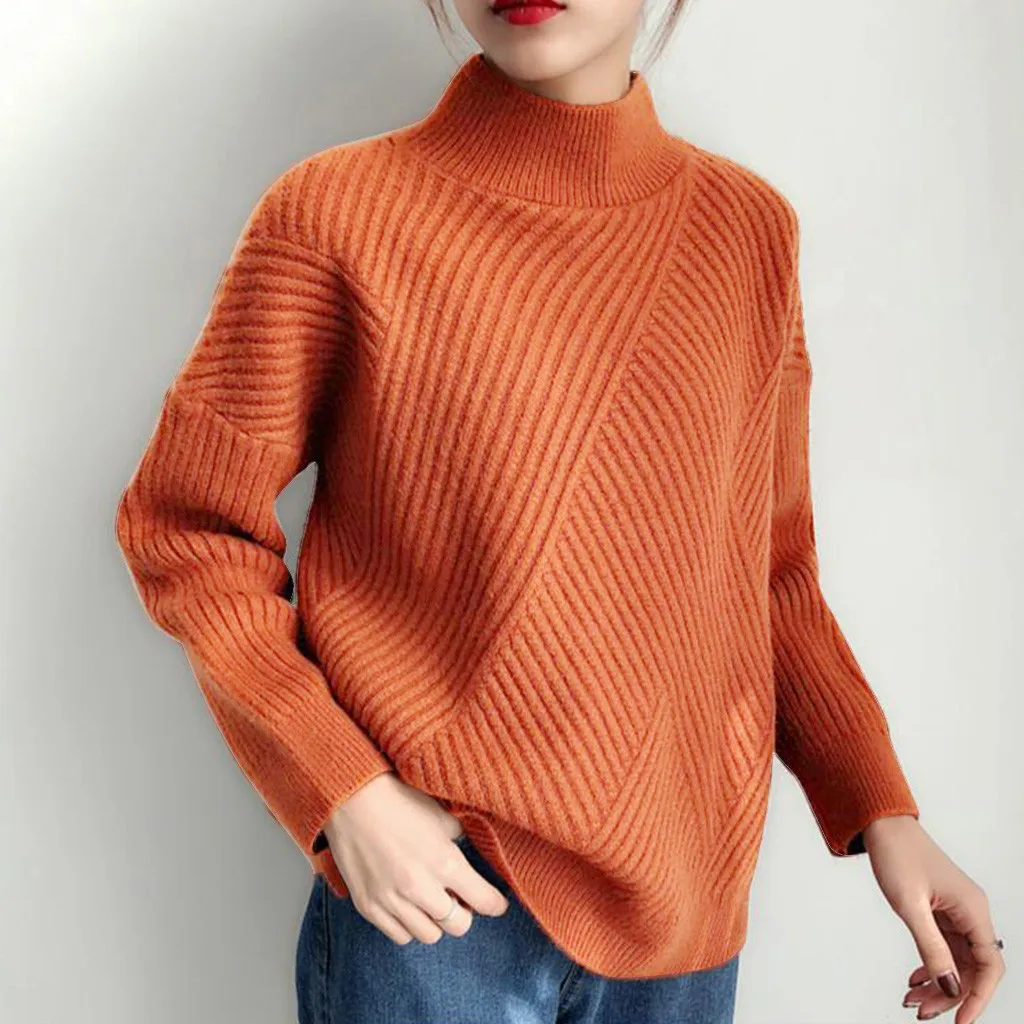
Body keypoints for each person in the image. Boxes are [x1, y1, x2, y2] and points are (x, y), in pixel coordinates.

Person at [113, 1, 1006, 1022]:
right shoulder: (336, 213)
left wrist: (882, 809)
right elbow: (186, 529)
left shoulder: (747, 233)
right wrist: (341, 787)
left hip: (684, 914)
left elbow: (766, 575)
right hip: (435, 910)